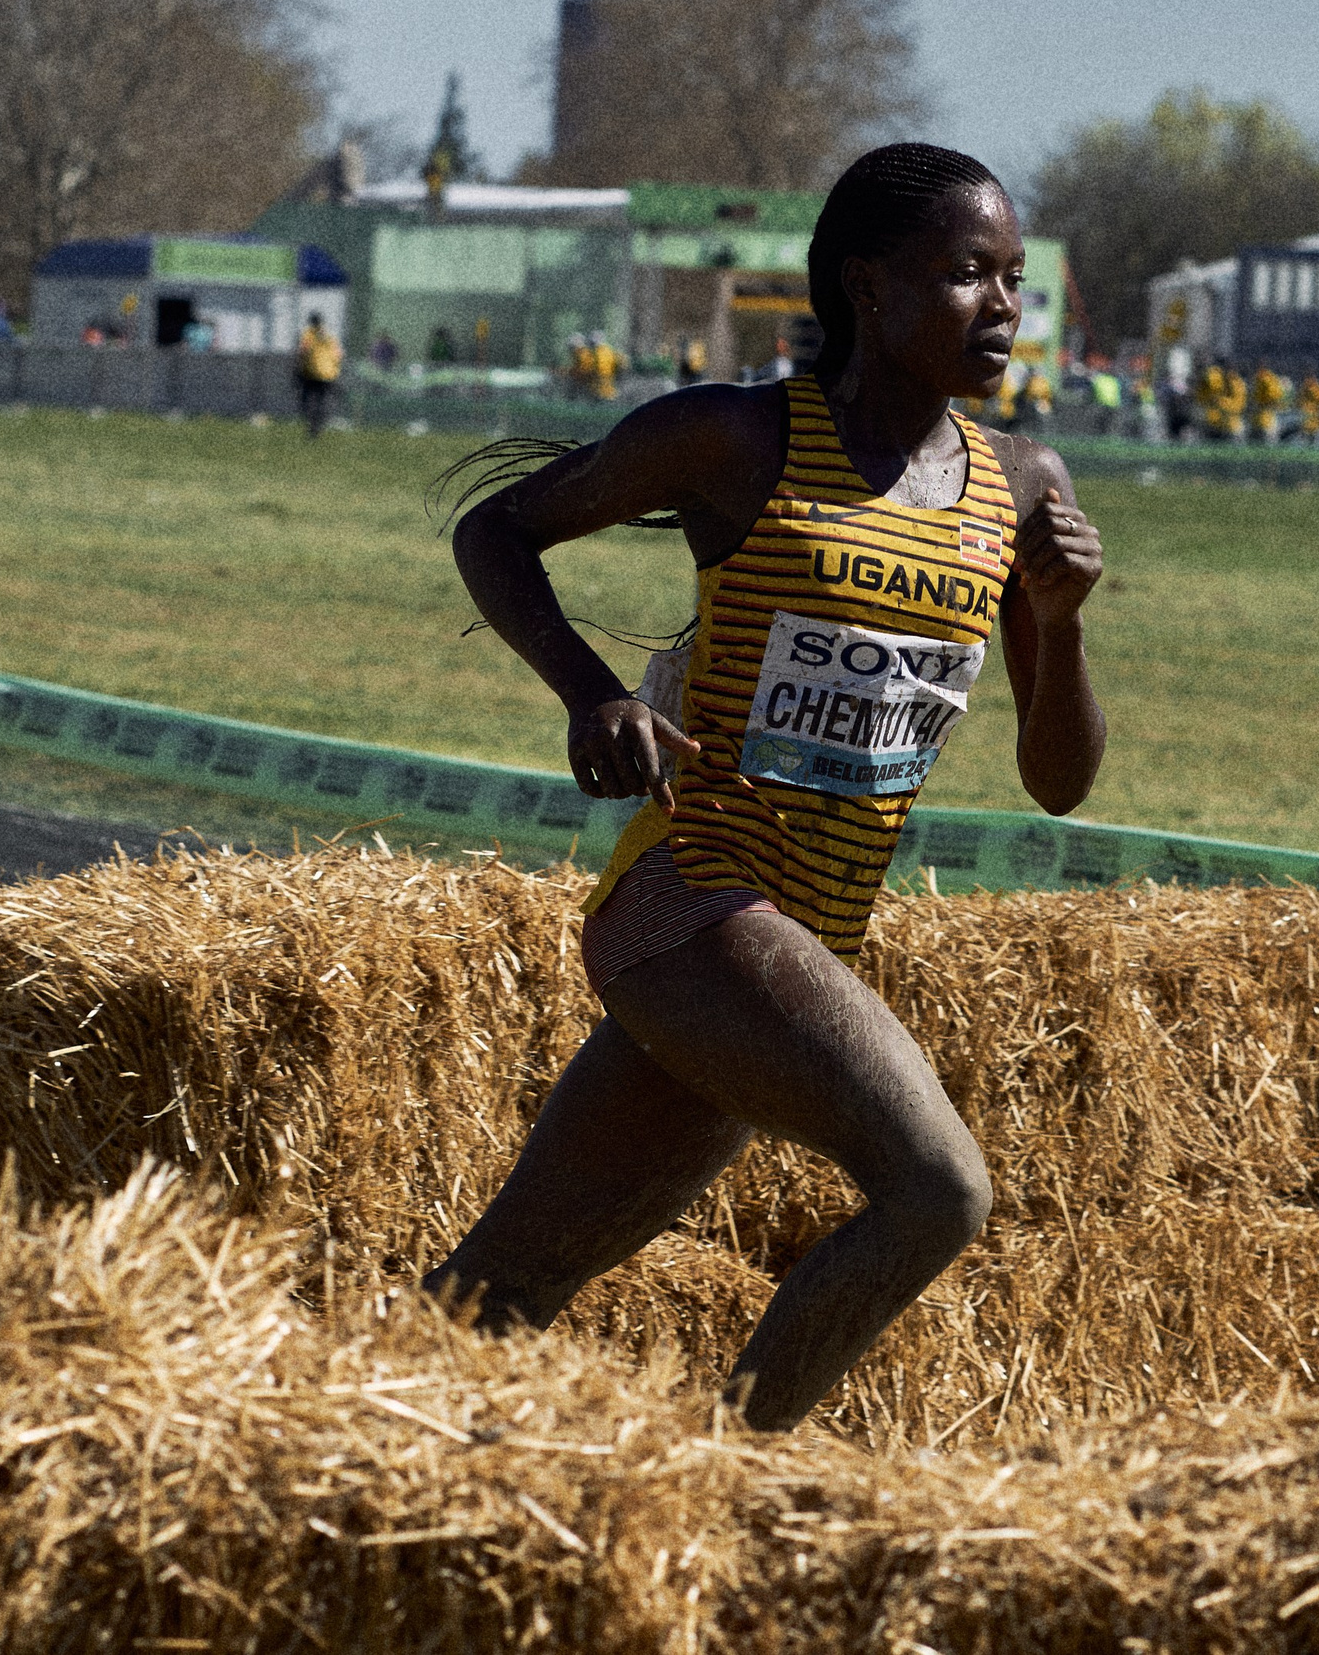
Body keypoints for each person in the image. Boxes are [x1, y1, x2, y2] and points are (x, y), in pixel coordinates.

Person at [427, 143, 1107, 1432]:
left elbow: (1059, 783)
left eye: (1015, 279)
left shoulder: (1024, 488)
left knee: (499, 1292)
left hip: (805, 942)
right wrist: (593, 693)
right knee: (938, 1192)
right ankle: (720, 1486)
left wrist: (1062, 623)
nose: (1005, 307)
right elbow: (495, 530)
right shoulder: (734, 437)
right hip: (690, 904)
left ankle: (327, 1484)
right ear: (866, 287)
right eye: (967, 275)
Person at [296, 311, 343, 438]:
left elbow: (302, 351)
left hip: (311, 373)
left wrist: (298, 367)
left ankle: (312, 424)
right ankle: (319, 424)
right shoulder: (329, 335)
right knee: (323, 401)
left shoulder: (308, 334)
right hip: (328, 374)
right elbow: (339, 354)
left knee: (307, 400)